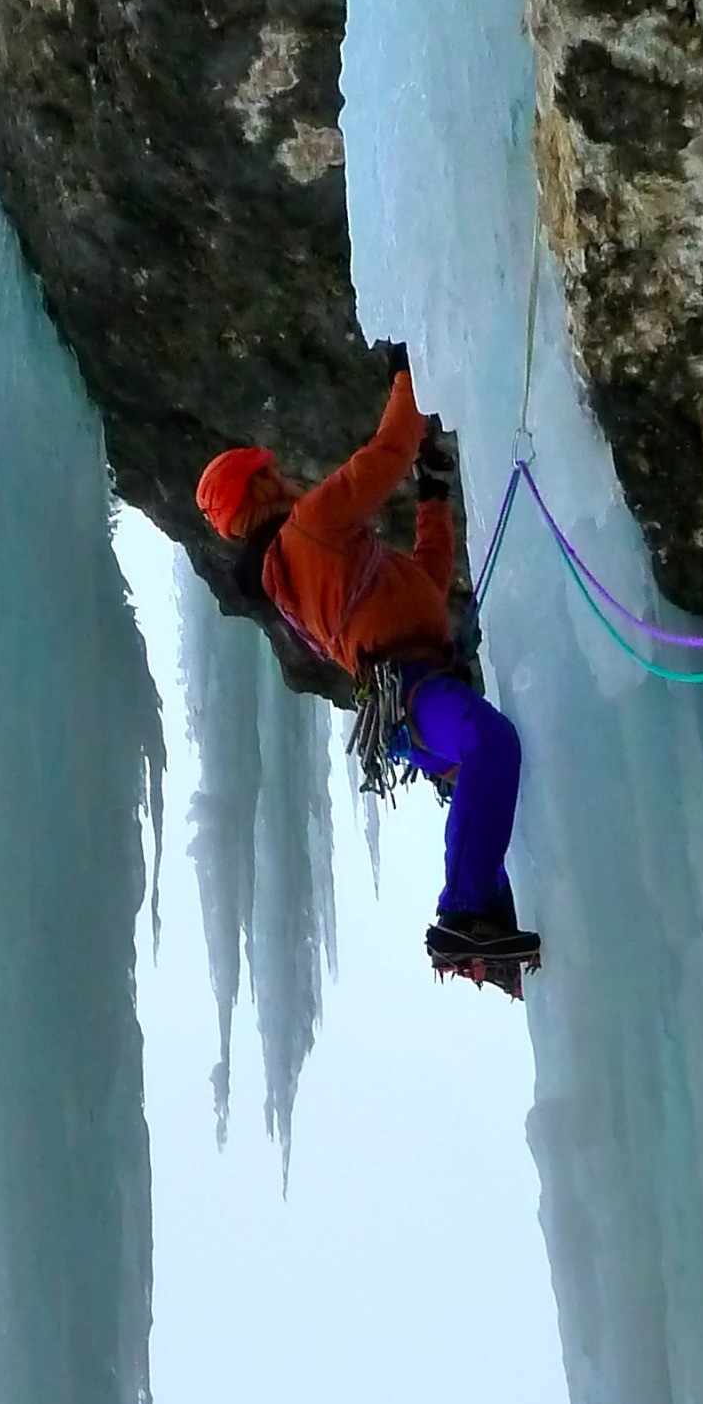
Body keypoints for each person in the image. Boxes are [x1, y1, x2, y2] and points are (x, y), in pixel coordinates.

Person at [195, 352, 540, 978]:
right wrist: (413, 366)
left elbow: (426, 589)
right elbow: (389, 449)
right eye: (274, 474)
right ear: (264, 487)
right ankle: (465, 916)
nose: (289, 478)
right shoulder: (309, 530)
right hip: (416, 696)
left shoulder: (300, 580)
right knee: (493, 745)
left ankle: (497, 935)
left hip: (411, 711)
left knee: (489, 773)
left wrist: (433, 497)